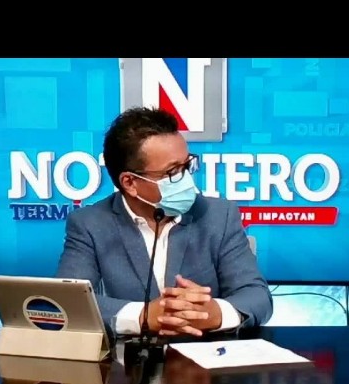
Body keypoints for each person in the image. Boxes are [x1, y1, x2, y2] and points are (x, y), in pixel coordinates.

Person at [56, 107, 273, 338]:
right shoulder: (90, 224)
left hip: (206, 353)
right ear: (130, 182)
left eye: (187, 166)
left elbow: (257, 296)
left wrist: (216, 314)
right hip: (128, 356)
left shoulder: (218, 215)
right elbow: (68, 302)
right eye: (173, 172)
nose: (186, 179)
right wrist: (143, 316)